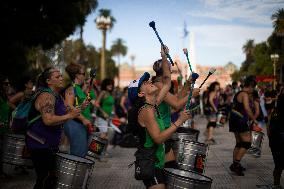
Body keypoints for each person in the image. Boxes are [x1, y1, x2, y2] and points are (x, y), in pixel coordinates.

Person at [128, 45, 191, 189]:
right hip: (150, 162)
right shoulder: (146, 111)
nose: (149, 82)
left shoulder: (153, 104)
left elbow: (167, 82)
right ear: (141, 94)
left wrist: (163, 56)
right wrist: (179, 121)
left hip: (158, 159)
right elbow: (158, 138)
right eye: (145, 83)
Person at [25, 67, 81, 189]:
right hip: (39, 144)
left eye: (61, 76)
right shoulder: (46, 96)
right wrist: (70, 115)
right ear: (48, 81)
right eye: (57, 77)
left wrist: (78, 109)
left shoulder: (56, 96)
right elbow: (48, 120)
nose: (61, 78)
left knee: (51, 179)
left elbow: (64, 112)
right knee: (44, 179)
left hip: (49, 145)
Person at [64, 62, 95, 157]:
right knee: (78, 155)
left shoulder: (79, 89)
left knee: (82, 153)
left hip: (82, 124)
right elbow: (69, 107)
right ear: (77, 75)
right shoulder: (71, 89)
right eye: (83, 74)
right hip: (75, 123)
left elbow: (90, 97)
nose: (84, 76)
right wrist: (83, 119)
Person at [228, 75, 257, 176]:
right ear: (250, 86)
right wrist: (254, 119)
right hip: (240, 120)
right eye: (254, 88)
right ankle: (236, 164)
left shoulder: (238, 93)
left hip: (234, 119)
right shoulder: (244, 94)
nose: (253, 90)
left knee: (239, 143)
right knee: (246, 143)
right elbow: (247, 108)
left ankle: (234, 164)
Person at [268, 86, 284, 189]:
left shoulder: (275, 113)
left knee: (278, 165)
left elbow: (269, 129)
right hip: (279, 140)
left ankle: (276, 184)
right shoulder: (277, 114)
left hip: (275, 141)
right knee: (279, 164)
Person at [0, 75, 11, 178]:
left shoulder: (5, 97)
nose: (8, 85)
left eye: (8, 83)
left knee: (2, 151)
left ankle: (1, 172)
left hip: (4, 130)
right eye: (6, 84)